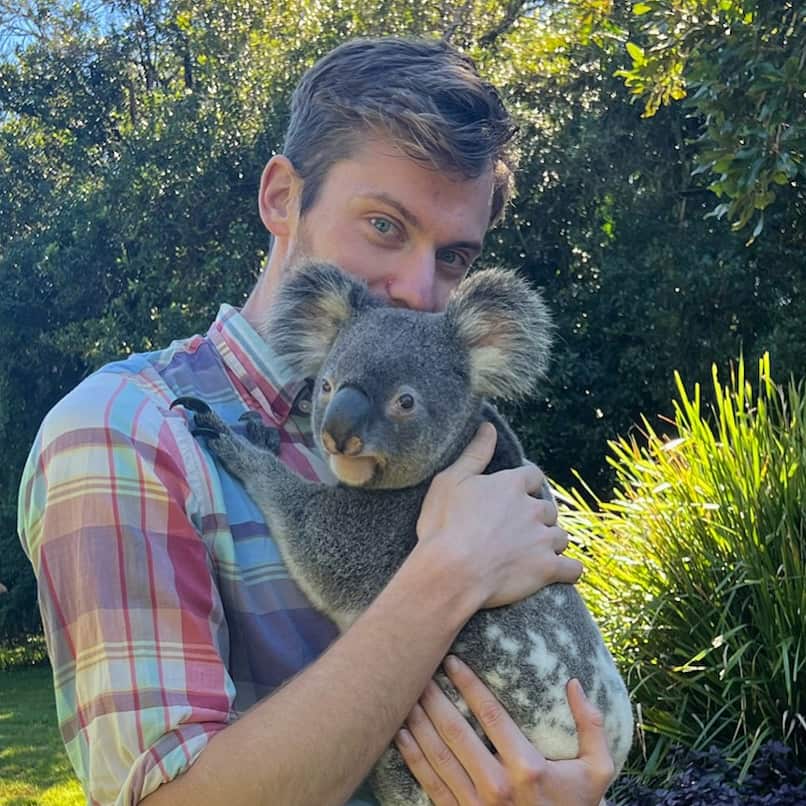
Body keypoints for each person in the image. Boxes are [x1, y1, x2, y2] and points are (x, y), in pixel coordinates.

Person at [18, 36, 616, 806]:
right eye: (384, 227)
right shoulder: (126, 433)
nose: (415, 286)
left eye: (455, 258)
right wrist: (450, 572)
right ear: (280, 198)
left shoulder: (453, 429)